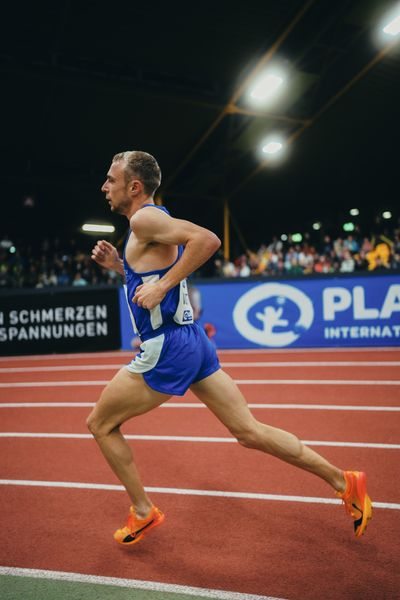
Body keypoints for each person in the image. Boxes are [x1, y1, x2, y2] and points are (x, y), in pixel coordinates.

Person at [88, 150, 372, 545]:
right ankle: (345, 482)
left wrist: (163, 285)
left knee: (100, 424)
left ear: (134, 187)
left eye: (110, 179)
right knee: (249, 431)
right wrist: (123, 267)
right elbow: (152, 272)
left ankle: (142, 511)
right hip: (192, 342)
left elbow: (207, 240)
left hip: (167, 346)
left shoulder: (144, 217)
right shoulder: (150, 221)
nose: (105, 187)